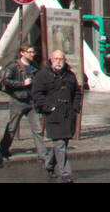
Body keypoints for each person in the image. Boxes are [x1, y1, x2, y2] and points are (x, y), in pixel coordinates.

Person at [33, 49, 82, 182]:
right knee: (59, 144)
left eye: (61, 59)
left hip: (67, 114)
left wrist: (75, 108)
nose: (58, 62)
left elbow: (77, 92)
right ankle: (65, 173)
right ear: (51, 60)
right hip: (53, 114)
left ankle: (49, 164)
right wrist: (48, 108)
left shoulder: (70, 75)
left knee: (62, 143)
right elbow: (37, 94)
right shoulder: (42, 75)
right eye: (56, 59)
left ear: (65, 60)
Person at [0, 43, 47, 162]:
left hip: (31, 101)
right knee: (12, 127)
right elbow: (6, 80)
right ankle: (3, 149)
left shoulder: (34, 65)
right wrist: (22, 84)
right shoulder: (14, 66)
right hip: (18, 100)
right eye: (29, 52)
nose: (32, 54)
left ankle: (43, 154)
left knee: (37, 129)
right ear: (22, 53)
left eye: (33, 52)